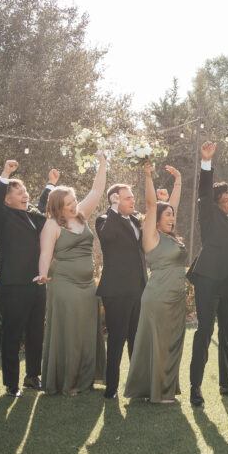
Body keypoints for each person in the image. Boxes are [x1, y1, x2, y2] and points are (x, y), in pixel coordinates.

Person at [38, 152, 108, 396]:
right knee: (69, 330)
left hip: (87, 285)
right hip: (64, 283)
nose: (73, 205)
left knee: (87, 330)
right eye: (68, 203)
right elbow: (46, 254)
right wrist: (42, 274)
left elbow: (97, 191)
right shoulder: (52, 225)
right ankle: (67, 383)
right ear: (57, 206)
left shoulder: (81, 215)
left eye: (73, 200)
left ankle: (85, 379)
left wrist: (102, 164)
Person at [0, 159, 57, 397]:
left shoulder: (33, 216)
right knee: (13, 334)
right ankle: (11, 384)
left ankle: (32, 376)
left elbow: (40, 204)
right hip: (13, 285)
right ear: (7, 199)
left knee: (36, 331)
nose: (25, 195)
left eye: (25, 190)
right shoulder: (1, 215)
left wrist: (49, 185)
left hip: (38, 282)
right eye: (19, 192)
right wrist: (5, 174)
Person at [187, 141, 228, 408]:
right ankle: (195, 387)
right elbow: (203, 193)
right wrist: (206, 163)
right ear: (216, 205)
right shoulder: (209, 216)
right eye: (225, 200)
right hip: (208, 280)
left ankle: (226, 384)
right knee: (204, 330)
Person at [124, 164, 187, 403]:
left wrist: (178, 181)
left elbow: (171, 205)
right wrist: (148, 176)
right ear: (157, 221)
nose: (172, 217)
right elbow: (152, 206)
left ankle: (164, 388)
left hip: (177, 298)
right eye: (168, 215)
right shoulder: (152, 237)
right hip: (158, 297)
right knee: (159, 343)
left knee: (172, 343)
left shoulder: (171, 237)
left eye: (173, 214)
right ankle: (157, 393)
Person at [96, 179, 147, 400]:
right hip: (116, 291)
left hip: (139, 289)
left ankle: (135, 387)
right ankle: (111, 389)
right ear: (115, 200)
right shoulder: (104, 220)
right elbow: (107, 238)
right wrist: (115, 210)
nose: (133, 200)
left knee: (136, 338)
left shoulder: (137, 220)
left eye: (132, 196)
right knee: (117, 339)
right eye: (127, 197)